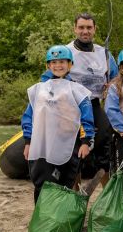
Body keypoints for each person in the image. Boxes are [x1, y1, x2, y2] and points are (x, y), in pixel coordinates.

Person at [23, 13, 118, 182]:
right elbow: (47, 78)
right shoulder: (66, 52)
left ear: (94, 29)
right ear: (75, 29)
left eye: (89, 27)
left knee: (105, 140)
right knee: (74, 150)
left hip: (94, 104)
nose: (85, 31)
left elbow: (117, 78)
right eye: (81, 27)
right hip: (67, 108)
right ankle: (74, 186)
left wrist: (112, 85)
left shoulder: (105, 54)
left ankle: (106, 187)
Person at [22, 45, 95, 203]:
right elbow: (29, 116)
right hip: (42, 144)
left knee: (65, 183)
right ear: (48, 65)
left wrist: (85, 142)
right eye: (54, 62)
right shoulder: (38, 89)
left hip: (67, 143)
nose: (58, 65)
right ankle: (42, 218)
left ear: (70, 64)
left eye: (62, 61)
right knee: (42, 182)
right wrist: (28, 142)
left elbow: (86, 118)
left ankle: (62, 218)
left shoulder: (77, 90)